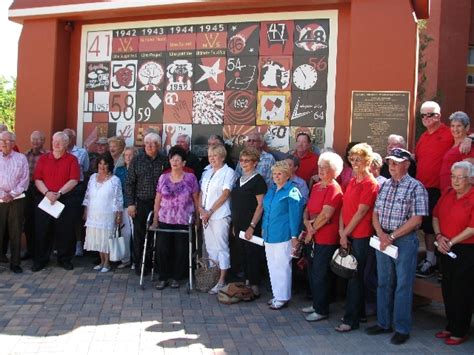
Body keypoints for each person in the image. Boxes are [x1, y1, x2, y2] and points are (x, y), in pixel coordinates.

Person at [367, 147, 429, 345]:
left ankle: (402, 328)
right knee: (383, 282)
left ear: (407, 164)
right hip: (383, 238)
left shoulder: (416, 187)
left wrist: (391, 236)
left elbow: (417, 220)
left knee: (403, 285)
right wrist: (381, 234)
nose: (391, 166)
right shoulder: (384, 185)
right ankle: (383, 323)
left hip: (403, 241)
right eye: (389, 162)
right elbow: (375, 212)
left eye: (396, 162)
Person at [414, 101, 471, 278]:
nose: (425, 118)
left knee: (439, 225)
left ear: (438, 116)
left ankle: (436, 261)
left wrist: (471, 137)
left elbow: (465, 137)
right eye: (423, 115)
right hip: (425, 188)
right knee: (428, 225)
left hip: (446, 190)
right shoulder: (424, 136)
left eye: (430, 114)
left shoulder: (449, 134)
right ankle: (432, 259)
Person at [336, 143, 379, 332]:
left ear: (367, 161)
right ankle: (359, 314)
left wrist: (345, 233)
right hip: (348, 233)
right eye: (352, 159)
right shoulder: (353, 181)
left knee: (355, 277)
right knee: (353, 276)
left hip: (360, 235)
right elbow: (344, 207)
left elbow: (361, 212)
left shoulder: (370, 183)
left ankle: (350, 320)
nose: (354, 162)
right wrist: (341, 230)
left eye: (358, 159)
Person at [433, 161, 474, 346]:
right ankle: (450, 325)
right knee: (447, 288)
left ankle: (460, 330)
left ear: (471, 179)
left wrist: (451, 241)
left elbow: (472, 227)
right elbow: (435, 216)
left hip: (465, 249)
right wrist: (440, 236)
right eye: (453, 176)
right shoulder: (448, 193)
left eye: (460, 177)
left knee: (462, 290)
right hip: (445, 247)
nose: (456, 181)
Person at [300, 152, 343, 320]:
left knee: (320, 273)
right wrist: (306, 221)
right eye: (320, 167)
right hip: (313, 234)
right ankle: (316, 303)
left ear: (334, 171)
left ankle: (322, 309)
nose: (321, 170)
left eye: (325, 168)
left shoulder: (334, 188)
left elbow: (326, 215)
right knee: (312, 271)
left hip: (325, 236)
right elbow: (308, 208)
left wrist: (311, 230)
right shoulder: (317, 186)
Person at [151, 146, 200, 290]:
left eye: (178, 159)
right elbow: (157, 200)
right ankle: (163, 277)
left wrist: (197, 218)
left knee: (181, 250)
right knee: (162, 249)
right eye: (172, 159)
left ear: (184, 163)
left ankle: (177, 277)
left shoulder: (191, 178)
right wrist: (155, 219)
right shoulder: (163, 178)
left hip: (183, 219)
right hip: (165, 219)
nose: (174, 161)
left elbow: (196, 199)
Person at [32, 131, 80, 272]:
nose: (56, 144)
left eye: (60, 141)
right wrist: (47, 193)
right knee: (42, 230)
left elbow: (74, 180)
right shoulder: (43, 159)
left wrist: (59, 193)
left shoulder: (72, 160)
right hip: (45, 198)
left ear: (66, 144)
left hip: (64, 198)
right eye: (54, 141)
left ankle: (64, 259)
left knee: (65, 231)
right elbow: (38, 179)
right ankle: (41, 260)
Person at [262, 161, 304, 310]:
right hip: (269, 234)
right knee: (272, 266)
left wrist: (294, 238)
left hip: (283, 235)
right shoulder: (272, 190)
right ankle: (276, 294)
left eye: (280, 173)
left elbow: (295, 217)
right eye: (274, 173)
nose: (276, 176)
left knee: (282, 267)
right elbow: (266, 211)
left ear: (287, 175)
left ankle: (283, 297)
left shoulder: (292, 191)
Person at [125, 132, 167, 274]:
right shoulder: (136, 160)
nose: (150, 146)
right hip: (141, 203)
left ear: (159, 146)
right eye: (147, 143)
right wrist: (130, 204)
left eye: (153, 143)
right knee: (139, 236)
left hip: (161, 205)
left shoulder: (165, 160)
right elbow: (129, 183)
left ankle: (156, 265)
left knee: (158, 236)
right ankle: (140, 266)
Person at [199, 144, 236, 294]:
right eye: (210, 156)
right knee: (210, 248)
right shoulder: (207, 172)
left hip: (220, 215)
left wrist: (210, 211)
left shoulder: (228, 172)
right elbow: (201, 191)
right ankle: (213, 278)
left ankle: (222, 280)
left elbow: (225, 194)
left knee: (222, 247)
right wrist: (201, 209)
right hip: (206, 216)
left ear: (222, 157)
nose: (212, 159)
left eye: (215, 156)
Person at [231, 147, 267, 297]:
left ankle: (255, 285)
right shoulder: (239, 179)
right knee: (243, 254)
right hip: (239, 224)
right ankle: (246, 282)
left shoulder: (258, 181)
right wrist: (234, 224)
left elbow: (261, 205)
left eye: (248, 160)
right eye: (242, 160)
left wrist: (252, 226)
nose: (244, 163)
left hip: (252, 225)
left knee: (253, 254)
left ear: (255, 163)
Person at [83, 152, 123, 273]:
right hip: (93, 213)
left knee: (106, 239)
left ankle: (107, 263)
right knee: (97, 238)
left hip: (107, 214)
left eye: (105, 164)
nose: (102, 166)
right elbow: (87, 195)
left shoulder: (115, 180)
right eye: (100, 163)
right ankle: (101, 261)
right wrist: (85, 210)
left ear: (109, 165)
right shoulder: (92, 177)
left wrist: (118, 215)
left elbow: (118, 198)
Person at [0, 131, 29, 273]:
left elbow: (25, 179)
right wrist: (2, 194)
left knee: (15, 231)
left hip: (16, 199)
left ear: (13, 143)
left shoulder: (21, 158)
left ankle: (15, 263)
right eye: (2, 140)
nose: (5, 143)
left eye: (8, 140)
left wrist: (11, 194)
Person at [63, 128, 90, 257]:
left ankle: (78, 244)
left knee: (77, 217)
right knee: (61, 216)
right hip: (61, 188)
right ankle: (62, 245)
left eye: (67, 136)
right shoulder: (58, 151)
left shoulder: (82, 152)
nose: (65, 139)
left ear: (73, 138)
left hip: (77, 187)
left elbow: (85, 169)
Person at [23, 130, 47, 260]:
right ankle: (30, 250)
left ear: (43, 141)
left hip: (42, 191)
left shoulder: (48, 155)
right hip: (27, 190)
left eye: (38, 139)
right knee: (28, 222)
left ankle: (40, 252)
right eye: (33, 139)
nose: (35, 142)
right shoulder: (25, 155)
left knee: (41, 222)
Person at [439, 111, 474, 192]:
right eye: (452, 126)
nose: (455, 129)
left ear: (467, 127)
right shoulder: (452, 144)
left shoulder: (467, 145)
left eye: (459, 126)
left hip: (456, 192)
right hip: (446, 192)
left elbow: (469, 173)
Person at [114, 146, 136, 269]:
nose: (127, 157)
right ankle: (126, 259)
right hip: (122, 205)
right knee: (125, 233)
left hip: (133, 205)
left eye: (130, 155)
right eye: (125, 155)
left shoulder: (138, 169)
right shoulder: (119, 170)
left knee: (135, 234)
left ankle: (135, 260)